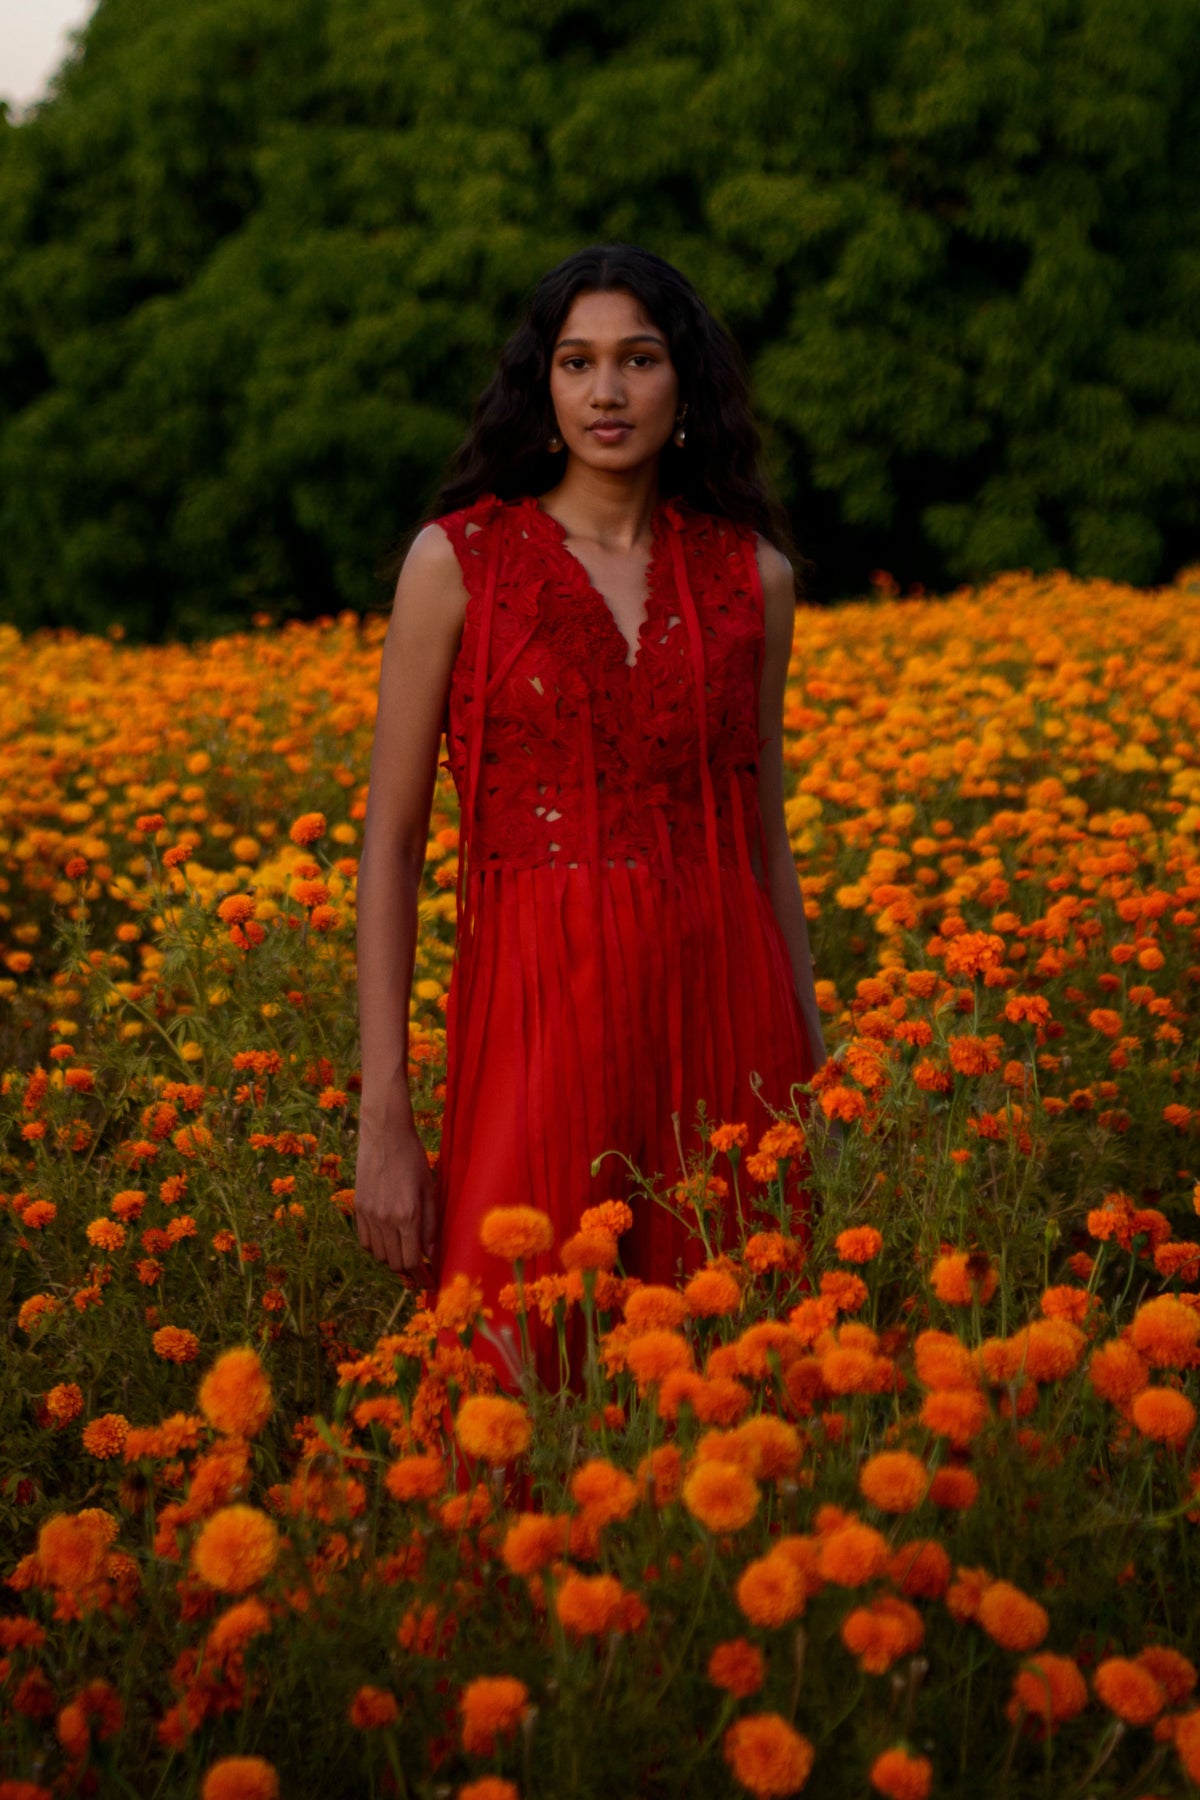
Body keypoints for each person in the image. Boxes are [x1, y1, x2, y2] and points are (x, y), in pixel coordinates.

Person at [354, 243, 826, 1385]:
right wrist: (383, 1117)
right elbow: (396, 841)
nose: (607, 391)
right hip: (535, 1021)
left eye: (638, 360)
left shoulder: (751, 578)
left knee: (734, 1376)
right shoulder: (457, 562)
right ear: (544, 387)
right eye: (577, 362)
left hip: (727, 1021)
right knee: (510, 1372)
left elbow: (765, 839)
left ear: (685, 387)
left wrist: (817, 1082)